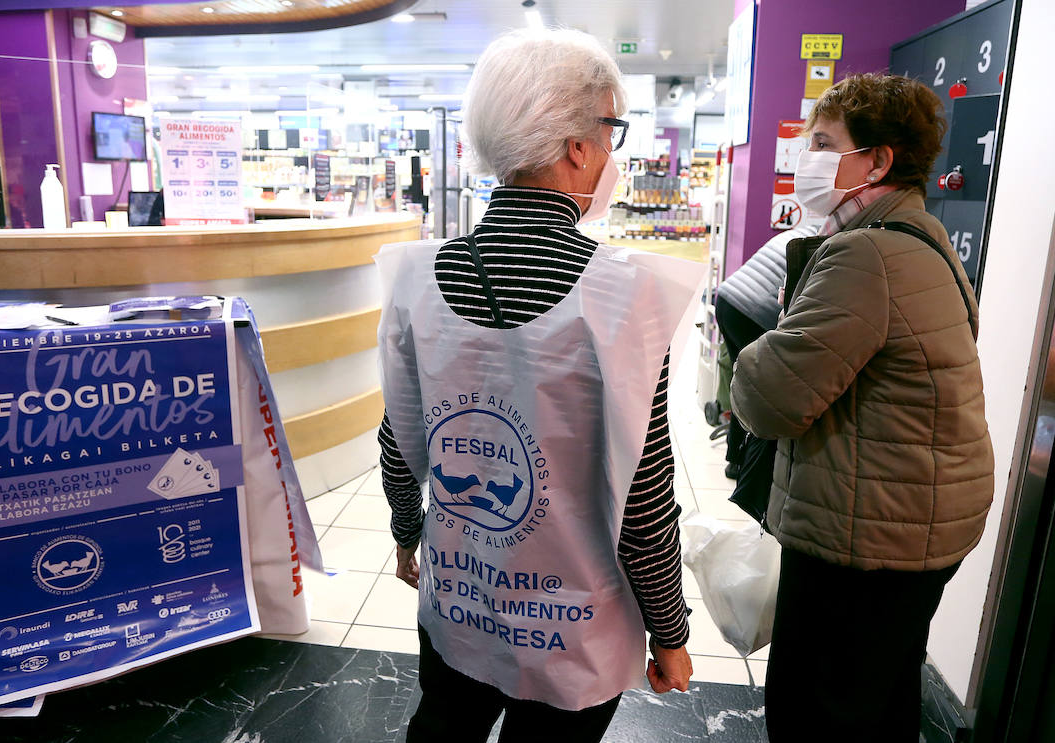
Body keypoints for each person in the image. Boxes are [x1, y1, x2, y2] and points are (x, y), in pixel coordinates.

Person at [375, 28, 699, 743]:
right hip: (573, 626)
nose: (612, 153)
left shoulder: (415, 279)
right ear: (578, 147)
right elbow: (643, 493)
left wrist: (406, 533)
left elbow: (399, 440)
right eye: (610, 129)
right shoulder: (624, 297)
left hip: (459, 600)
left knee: (442, 726)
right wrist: (670, 628)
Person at [730, 73, 994, 742]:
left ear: (876, 160)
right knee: (881, 693)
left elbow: (770, 397)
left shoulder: (864, 254)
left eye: (823, 142)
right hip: (917, 522)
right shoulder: (921, 237)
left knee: (814, 711)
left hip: (866, 536)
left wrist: (762, 339)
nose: (804, 157)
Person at [713, 216, 822, 477]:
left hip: (728, 299)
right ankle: (749, 471)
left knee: (744, 384)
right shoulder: (824, 243)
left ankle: (735, 459)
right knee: (763, 395)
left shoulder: (803, 231)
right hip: (754, 312)